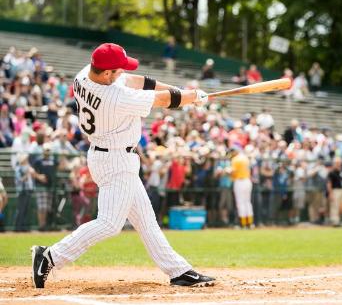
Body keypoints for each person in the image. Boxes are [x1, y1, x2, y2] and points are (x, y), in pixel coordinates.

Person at [31, 43, 214, 289]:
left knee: (146, 220)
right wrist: (190, 98)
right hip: (115, 160)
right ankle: (50, 255)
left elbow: (137, 81)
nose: (121, 73)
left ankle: (178, 271)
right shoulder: (114, 97)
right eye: (117, 70)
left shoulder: (85, 74)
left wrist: (181, 91)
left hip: (108, 156)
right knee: (109, 223)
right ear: (107, 74)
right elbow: (160, 100)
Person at [32, 144, 57, 231]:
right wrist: (39, 176)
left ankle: (44, 225)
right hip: (40, 186)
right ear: (43, 150)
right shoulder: (38, 160)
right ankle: (41, 225)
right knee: (42, 207)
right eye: (46, 150)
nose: (47, 152)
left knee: (47, 207)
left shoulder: (53, 160)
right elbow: (31, 171)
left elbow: (60, 166)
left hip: (50, 187)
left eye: (49, 150)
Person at [230, 146, 253, 228]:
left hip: (239, 181)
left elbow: (233, 171)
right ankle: (250, 223)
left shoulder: (235, 159)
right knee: (247, 202)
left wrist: (227, 171)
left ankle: (243, 224)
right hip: (247, 180)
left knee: (240, 203)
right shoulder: (245, 158)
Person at [326, 158, 342, 226]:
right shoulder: (331, 172)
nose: (338, 164)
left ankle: (338, 220)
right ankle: (335, 222)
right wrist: (330, 193)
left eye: (339, 163)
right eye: (337, 163)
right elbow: (329, 184)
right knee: (334, 206)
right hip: (335, 190)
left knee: (341, 207)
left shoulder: (341, 172)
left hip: (341, 190)